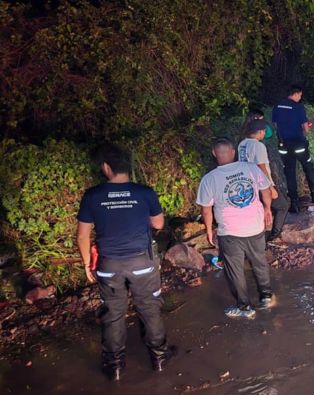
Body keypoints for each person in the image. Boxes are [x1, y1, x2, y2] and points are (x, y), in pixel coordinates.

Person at [76, 143, 174, 381]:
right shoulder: (144, 192)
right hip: (142, 262)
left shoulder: (92, 195)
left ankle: (115, 366)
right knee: (149, 308)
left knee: (113, 313)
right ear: (127, 167)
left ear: (106, 167)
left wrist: (88, 264)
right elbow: (159, 224)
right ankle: (159, 358)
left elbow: (82, 236)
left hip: (109, 265)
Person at [196, 137, 274, 319]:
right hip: (255, 227)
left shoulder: (209, 179)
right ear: (233, 152)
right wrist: (267, 209)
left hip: (230, 232)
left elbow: (206, 210)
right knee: (259, 262)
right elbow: (266, 190)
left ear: (214, 153)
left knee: (235, 271)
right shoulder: (251, 168)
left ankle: (245, 307)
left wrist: (209, 230)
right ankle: (267, 296)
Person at [238, 118, 290, 242]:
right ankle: (273, 235)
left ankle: (257, 237)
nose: (264, 134)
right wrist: (270, 187)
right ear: (261, 131)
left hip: (247, 183)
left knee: (259, 209)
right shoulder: (258, 145)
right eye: (264, 132)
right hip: (261, 184)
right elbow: (261, 167)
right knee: (282, 206)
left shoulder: (242, 144)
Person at [271, 85, 314, 212]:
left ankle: (294, 203)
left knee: (290, 173)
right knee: (308, 168)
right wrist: (307, 126)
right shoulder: (298, 107)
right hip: (299, 145)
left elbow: (275, 124)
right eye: (300, 95)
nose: (300, 98)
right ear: (296, 93)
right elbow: (306, 129)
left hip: (284, 146)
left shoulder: (277, 106)